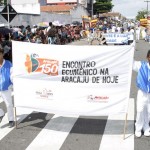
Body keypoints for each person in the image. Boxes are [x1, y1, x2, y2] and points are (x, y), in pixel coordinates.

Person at [133, 50, 150, 137]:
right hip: (142, 92)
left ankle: (146, 127)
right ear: (148, 57)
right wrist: (130, 50)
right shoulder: (141, 65)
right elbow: (131, 63)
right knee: (140, 110)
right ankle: (138, 128)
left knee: (148, 112)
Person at [0, 45, 14, 128]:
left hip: (6, 87)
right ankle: (1, 113)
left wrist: (13, 83)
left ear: (2, 54)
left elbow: (12, 74)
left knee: (9, 104)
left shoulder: (8, 64)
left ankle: (11, 119)